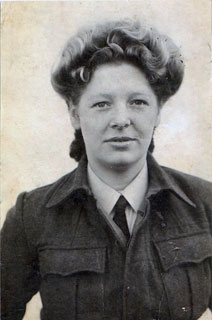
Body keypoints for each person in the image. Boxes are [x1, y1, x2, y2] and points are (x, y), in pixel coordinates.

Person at [1, 19, 212, 320]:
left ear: (158, 113)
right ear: (75, 114)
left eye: (138, 102)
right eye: (101, 104)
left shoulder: (205, 205)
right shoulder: (31, 216)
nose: (121, 119)